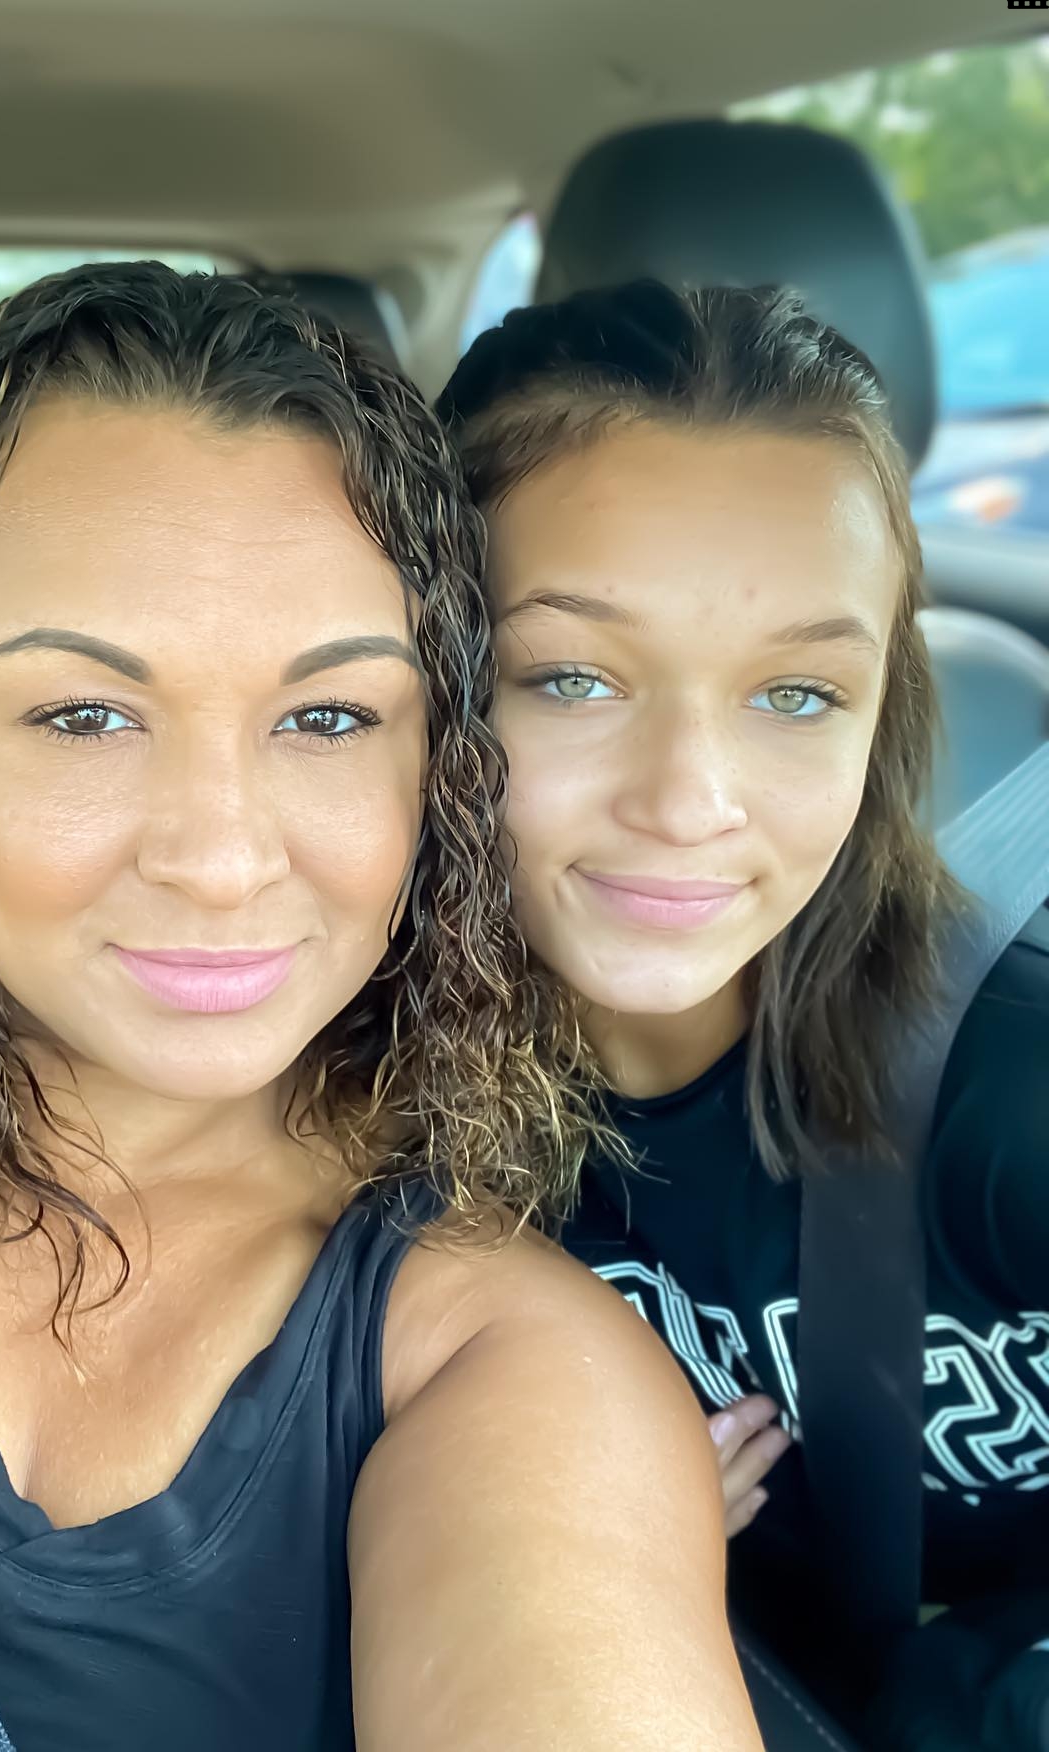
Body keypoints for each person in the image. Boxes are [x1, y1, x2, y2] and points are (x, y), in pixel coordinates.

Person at [0, 264, 761, 1751]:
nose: (220, 860)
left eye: (329, 717)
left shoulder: (502, 1362)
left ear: (441, 770)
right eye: (84, 715)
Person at [437, 278, 1049, 1729]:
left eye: (796, 695)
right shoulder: (355, 1121)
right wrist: (580, 1552)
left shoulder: (1009, 1086)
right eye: (571, 678)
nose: (689, 804)